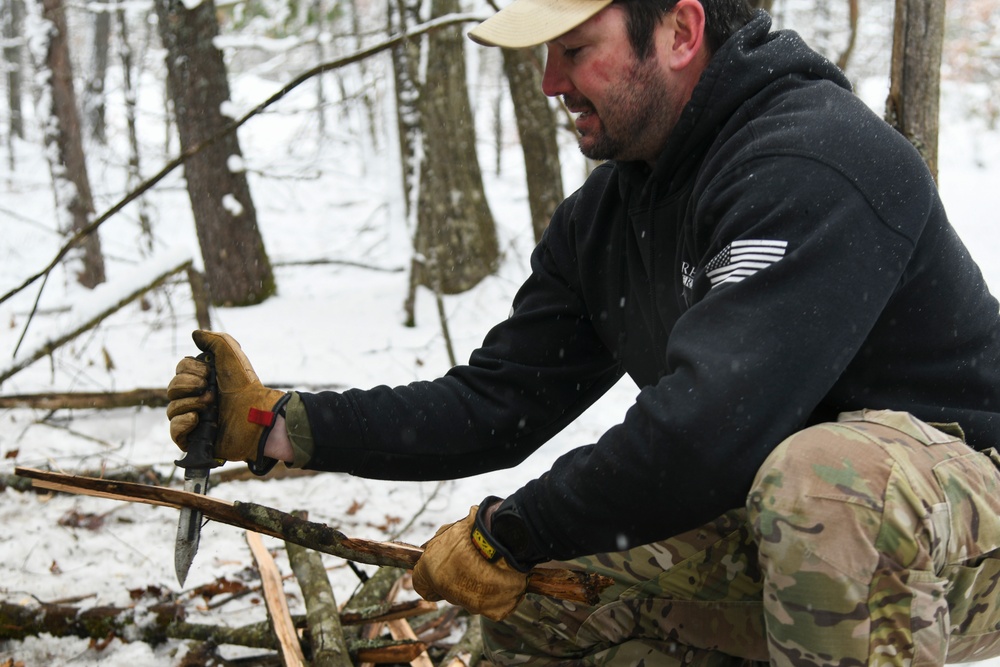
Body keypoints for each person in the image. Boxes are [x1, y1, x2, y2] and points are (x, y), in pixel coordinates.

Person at [167, 0, 1000, 663]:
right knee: (539, 599)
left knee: (823, 482)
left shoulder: (813, 160)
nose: (548, 83)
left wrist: (511, 527)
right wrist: (278, 425)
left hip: (960, 528)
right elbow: (496, 403)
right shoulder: (608, 218)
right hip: (786, 526)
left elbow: (713, 425)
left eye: (573, 47)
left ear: (680, 29)